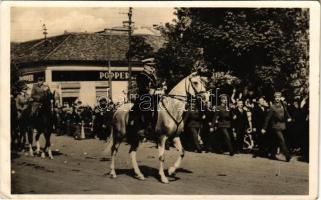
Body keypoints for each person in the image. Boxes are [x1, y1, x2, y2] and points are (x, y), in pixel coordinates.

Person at [129, 58, 158, 142]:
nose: (152, 68)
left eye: (153, 66)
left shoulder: (152, 76)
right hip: (144, 97)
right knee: (146, 108)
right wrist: (150, 91)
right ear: (145, 66)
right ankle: (141, 128)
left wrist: (160, 89)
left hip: (154, 96)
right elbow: (142, 88)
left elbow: (155, 86)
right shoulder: (141, 75)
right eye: (150, 66)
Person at [262, 92, 292, 162]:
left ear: (280, 97)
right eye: (276, 97)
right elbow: (268, 118)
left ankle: (272, 154)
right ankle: (287, 156)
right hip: (276, 126)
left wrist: (289, 117)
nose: (277, 98)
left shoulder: (283, 105)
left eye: (278, 97)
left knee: (276, 141)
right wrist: (264, 128)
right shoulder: (272, 107)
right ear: (274, 98)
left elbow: (286, 112)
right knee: (282, 140)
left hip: (283, 125)